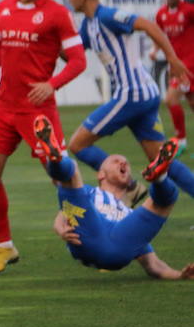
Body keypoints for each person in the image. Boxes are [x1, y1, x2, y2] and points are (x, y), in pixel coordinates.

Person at [0, 0, 87, 275]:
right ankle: (5, 247)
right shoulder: (4, 8)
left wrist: (52, 84)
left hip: (38, 111)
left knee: (61, 177)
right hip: (3, 107)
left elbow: (79, 61)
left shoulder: (57, 14)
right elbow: (0, 44)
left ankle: (93, 239)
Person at [64, 0, 194, 204]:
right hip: (142, 94)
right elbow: (70, 55)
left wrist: (172, 59)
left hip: (132, 94)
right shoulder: (89, 24)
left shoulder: (108, 15)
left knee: (77, 144)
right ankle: (143, 192)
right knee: (162, 163)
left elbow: (148, 26)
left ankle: (131, 187)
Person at [35, 114, 193, 279]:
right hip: (88, 236)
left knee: (166, 201)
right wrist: (61, 230)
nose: (123, 163)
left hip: (118, 247)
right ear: (101, 175)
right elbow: (62, 216)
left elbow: (153, 265)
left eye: (126, 163)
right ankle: (55, 158)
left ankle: (159, 176)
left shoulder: (130, 215)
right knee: (72, 171)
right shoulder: (89, 192)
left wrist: (180, 275)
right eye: (116, 161)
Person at [153, 0, 194, 153]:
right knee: (192, 103)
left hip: (190, 63)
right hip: (176, 63)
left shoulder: (190, 10)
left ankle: (181, 140)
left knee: (170, 98)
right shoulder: (161, 15)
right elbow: (160, 36)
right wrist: (155, 50)